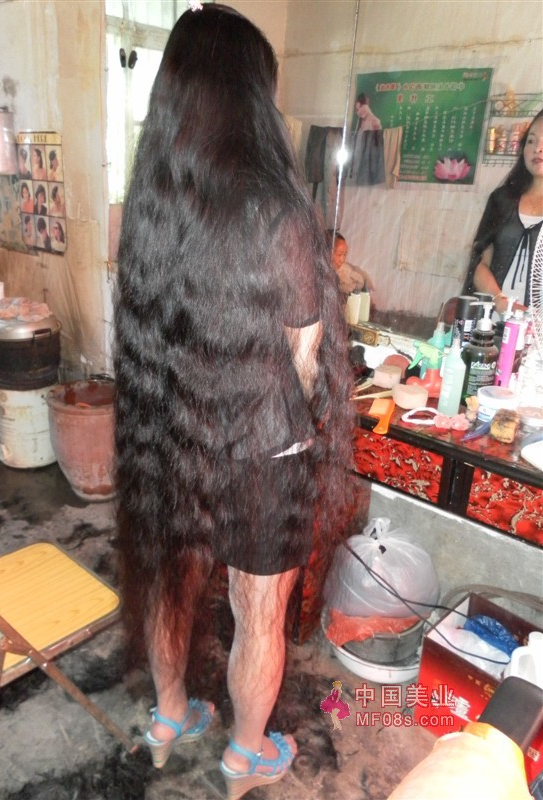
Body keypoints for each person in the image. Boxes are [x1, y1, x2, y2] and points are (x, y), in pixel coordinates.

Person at [113, 5, 353, 799]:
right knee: (260, 612)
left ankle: (169, 716)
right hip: (262, 452)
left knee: (170, 580)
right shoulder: (277, 210)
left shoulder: (153, 203)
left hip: (171, 430)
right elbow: (304, 358)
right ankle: (246, 757)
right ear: (250, 95)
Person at [463, 110, 543, 314]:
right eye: (531, 141)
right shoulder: (502, 200)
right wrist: (501, 301)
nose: (538, 149)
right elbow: (481, 263)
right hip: (493, 318)